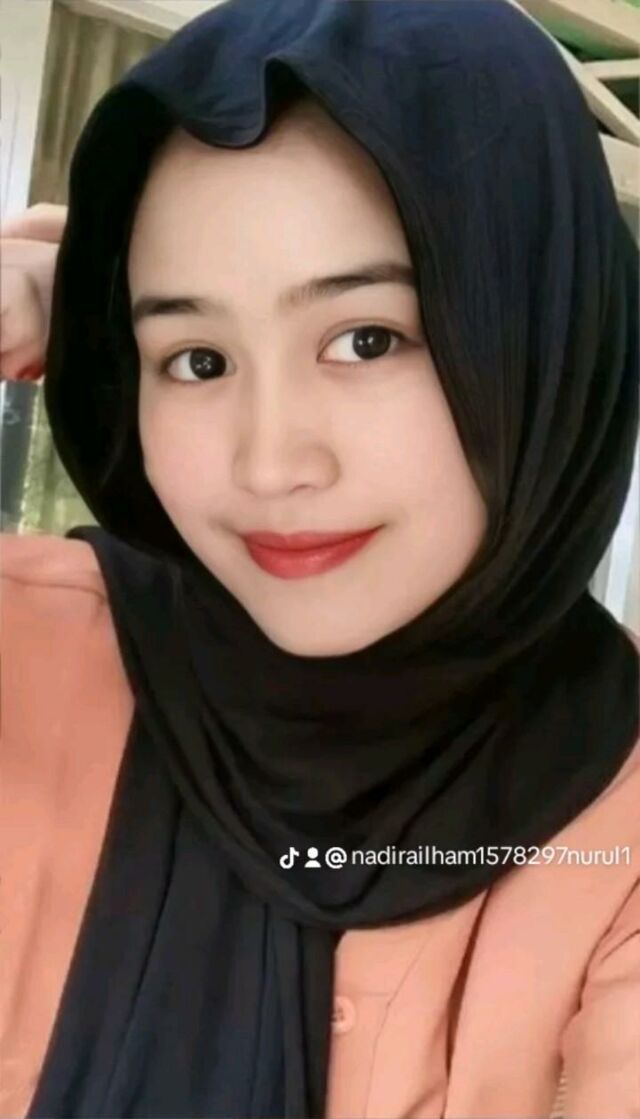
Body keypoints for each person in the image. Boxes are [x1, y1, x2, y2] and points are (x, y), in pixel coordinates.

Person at [1, 1, 639, 1117]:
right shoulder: (29, 656)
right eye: (196, 359)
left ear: (545, 337)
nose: (269, 465)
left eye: (366, 339)